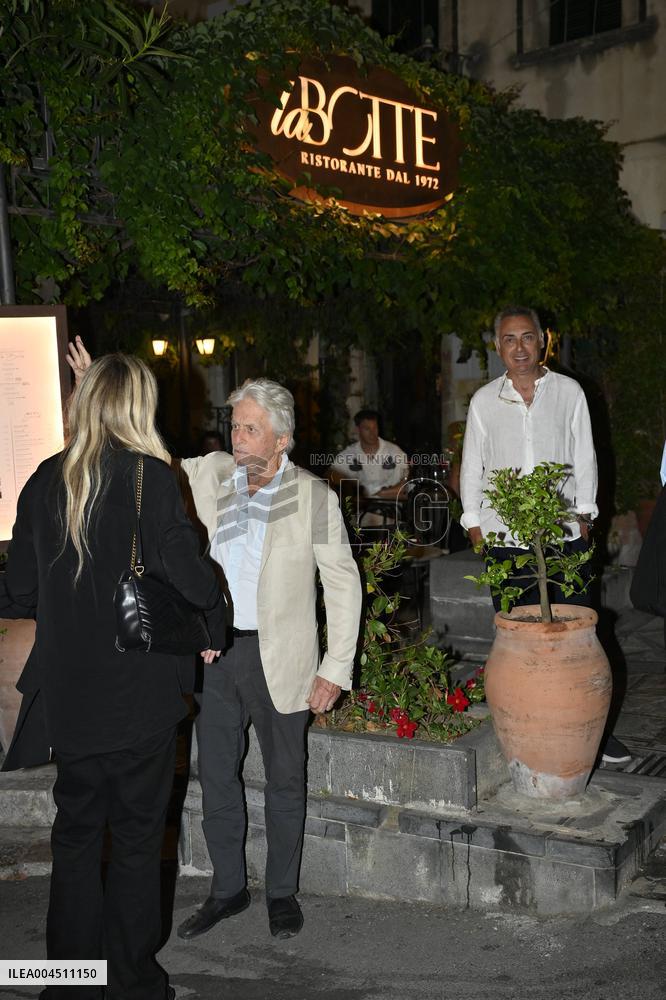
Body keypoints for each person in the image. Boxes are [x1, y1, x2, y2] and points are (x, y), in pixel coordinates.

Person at [2, 350, 228, 1000]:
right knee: (134, 843)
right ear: (138, 408)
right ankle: (132, 983)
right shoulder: (149, 478)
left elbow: (16, 592)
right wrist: (211, 608)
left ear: (83, 404)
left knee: (74, 841)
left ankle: (69, 985)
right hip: (141, 700)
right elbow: (187, 578)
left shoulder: (44, 481)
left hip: (71, 704)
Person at [459, 305, 631, 766]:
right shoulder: (483, 402)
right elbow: (472, 465)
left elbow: (586, 455)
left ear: (543, 341)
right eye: (510, 339)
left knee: (578, 633)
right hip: (506, 539)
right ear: (498, 347)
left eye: (527, 337)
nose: (519, 347)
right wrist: (475, 525)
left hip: (564, 534)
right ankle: (519, 726)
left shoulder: (569, 392)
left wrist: (584, 516)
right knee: (517, 635)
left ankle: (593, 730)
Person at [329, 408, 409, 501]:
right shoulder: (347, 455)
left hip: (391, 510)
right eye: (367, 429)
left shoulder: (395, 452)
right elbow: (331, 478)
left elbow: (406, 486)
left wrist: (371, 493)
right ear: (357, 429)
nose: (372, 433)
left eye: (375, 428)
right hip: (360, 511)